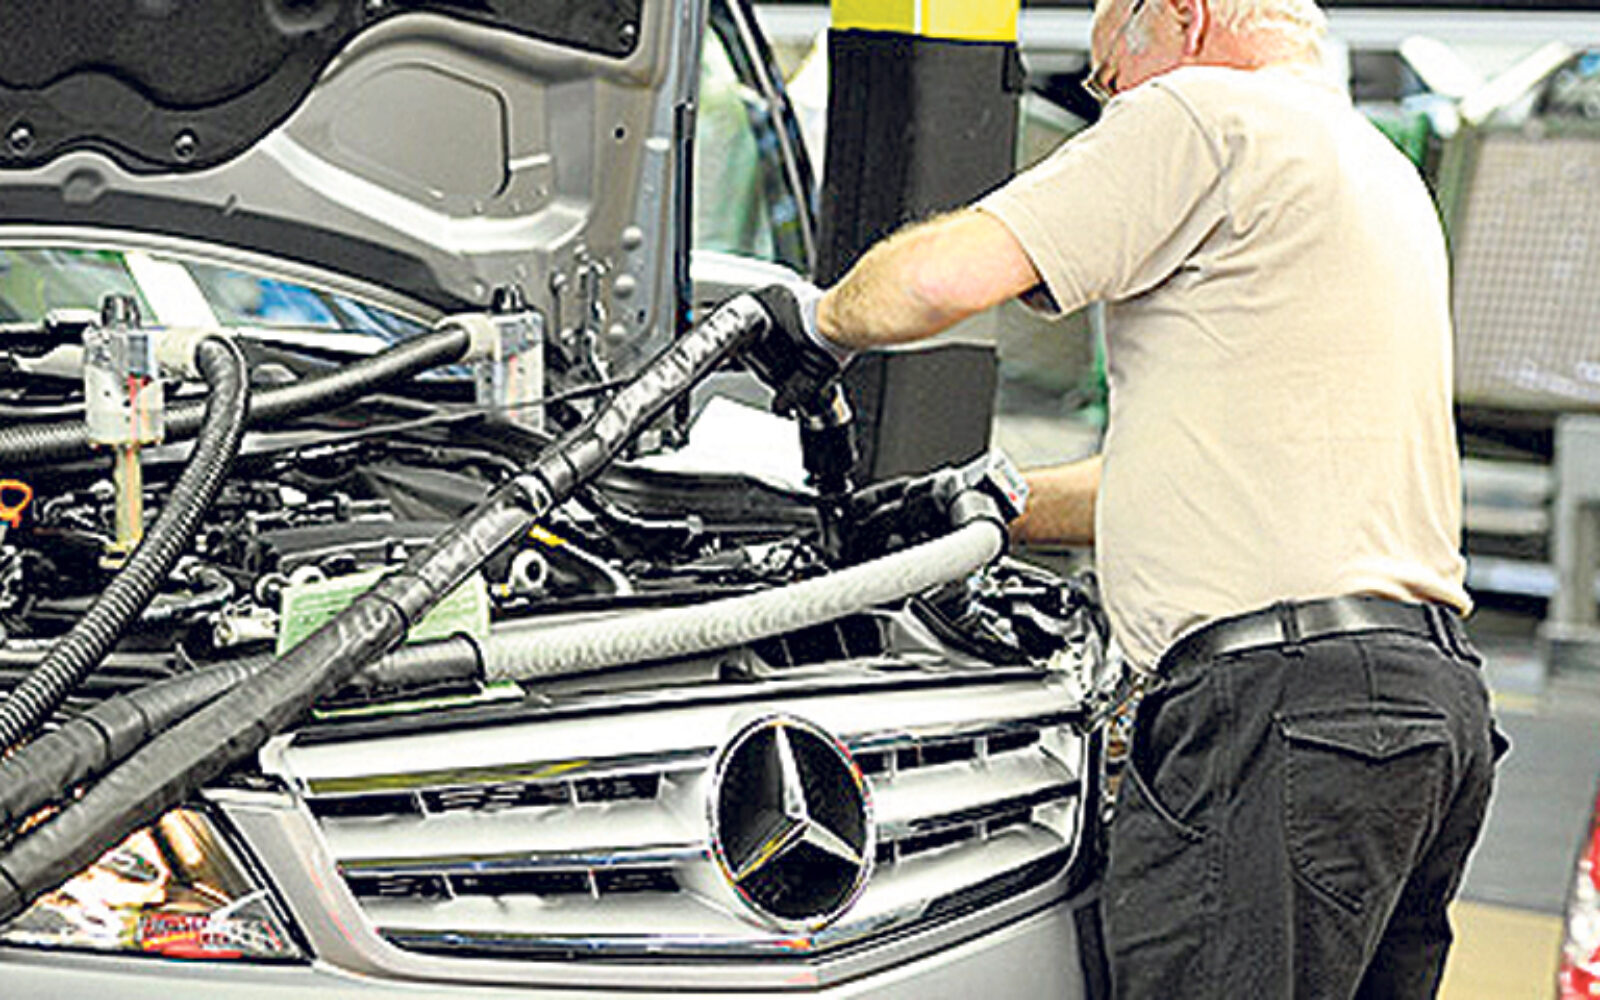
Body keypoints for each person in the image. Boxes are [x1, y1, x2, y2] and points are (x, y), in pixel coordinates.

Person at [742, 0, 1505, 994]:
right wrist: (975, 509)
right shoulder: (1371, 169)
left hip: (1278, 710)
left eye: (1106, 77)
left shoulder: (1203, 112)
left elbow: (936, 281)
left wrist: (815, 322)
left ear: (1181, 16)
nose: (1111, 106)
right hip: (1419, 714)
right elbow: (1192, 480)